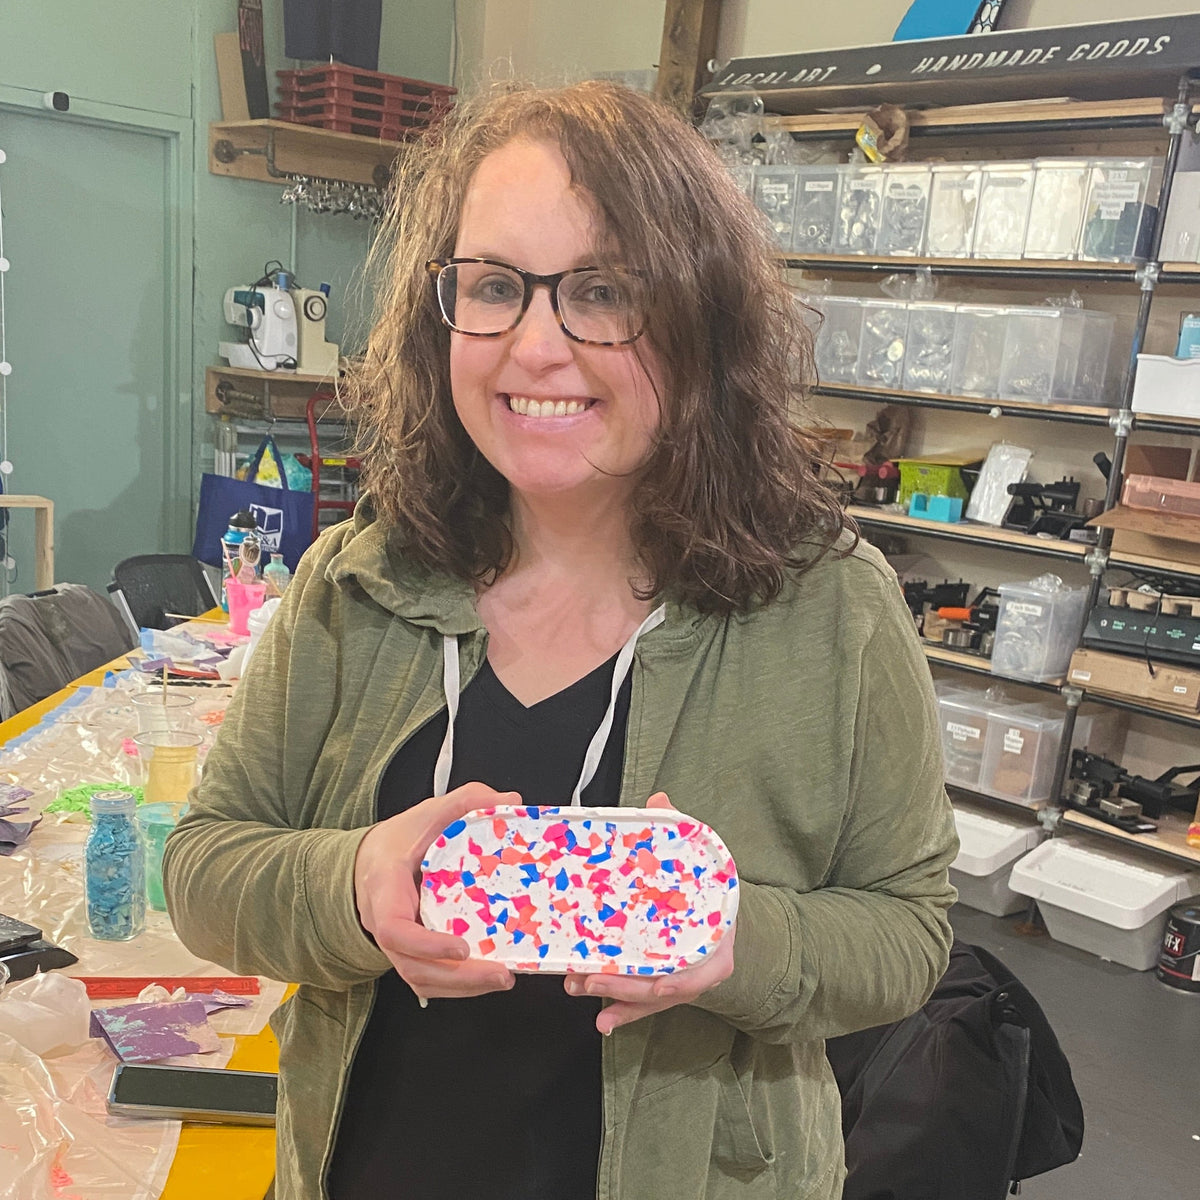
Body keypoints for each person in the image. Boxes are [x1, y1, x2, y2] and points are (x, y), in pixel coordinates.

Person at [163, 80, 958, 1200]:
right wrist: (353, 883)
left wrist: (739, 941)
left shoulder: (829, 611)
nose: (536, 346)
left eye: (602, 291)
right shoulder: (359, 584)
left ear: (700, 318)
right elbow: (205, 868)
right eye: (492, 287)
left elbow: (912, 931)